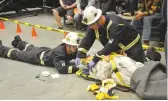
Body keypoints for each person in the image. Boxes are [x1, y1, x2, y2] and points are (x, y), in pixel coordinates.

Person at [75, 6, 145, 70]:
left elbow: (111, 45)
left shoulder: (115, 25)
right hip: (118, 48)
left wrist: (95, 58)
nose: (89, 27)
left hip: (132, 47)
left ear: (97, 20)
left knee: (134, 71)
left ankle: (144, 56)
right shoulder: (94, 25)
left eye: (90, 25)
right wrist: (79, 54)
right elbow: (87, 39)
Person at [0, 32, 80, 74]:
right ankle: (1, 49)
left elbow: (78, 54)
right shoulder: (59, 53)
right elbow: (62, 69)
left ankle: (18, 42)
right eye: (74, 46)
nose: (76, 48)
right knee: (17, 54)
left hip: (43, 51)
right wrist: (78, 67)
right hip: (36, 58)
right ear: (67, 45)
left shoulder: (71, 49)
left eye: (76, 46)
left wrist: (83, 58)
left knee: (29, 47)